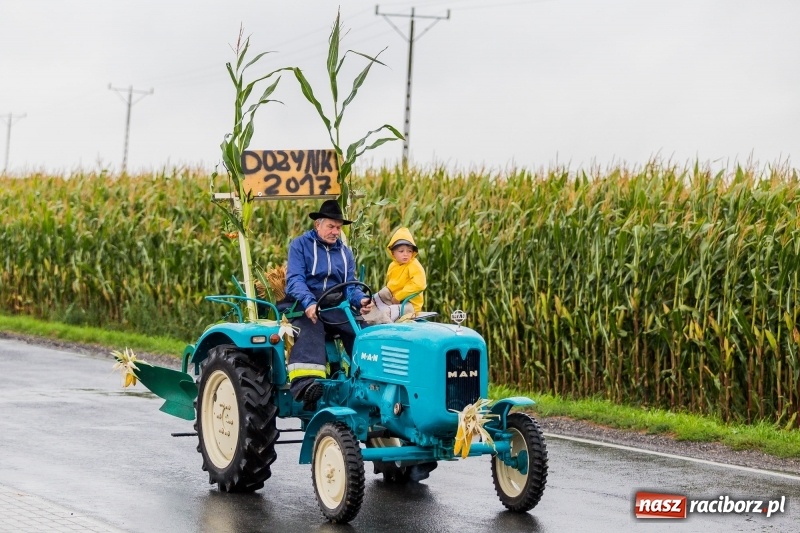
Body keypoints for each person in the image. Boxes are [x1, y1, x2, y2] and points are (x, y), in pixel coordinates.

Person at [284, 199, 373, 410]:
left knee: (362, 331)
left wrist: (360, 300)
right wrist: (309, 302)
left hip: (336, 306)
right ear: (318, 225)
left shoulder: (345, 253)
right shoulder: (300, 246)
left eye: (338, 228)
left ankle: (370, 380)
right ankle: (306, 385)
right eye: (331, 226)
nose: (335, 231)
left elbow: (349, 288)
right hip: (303, 303)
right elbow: (295, 280)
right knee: (311, 327)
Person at [368, 227, 427, 323]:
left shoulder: (414, 265)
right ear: (393, 253)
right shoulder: (392, 265)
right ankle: (366, 319)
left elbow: (419, 285)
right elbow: (391, 285)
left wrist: (399, 296)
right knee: (373, 300)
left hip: (409, 302)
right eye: (401, 251)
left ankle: (386, 327)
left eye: (409, 251)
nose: (406, 254)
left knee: (386, 313)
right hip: (394, 298)